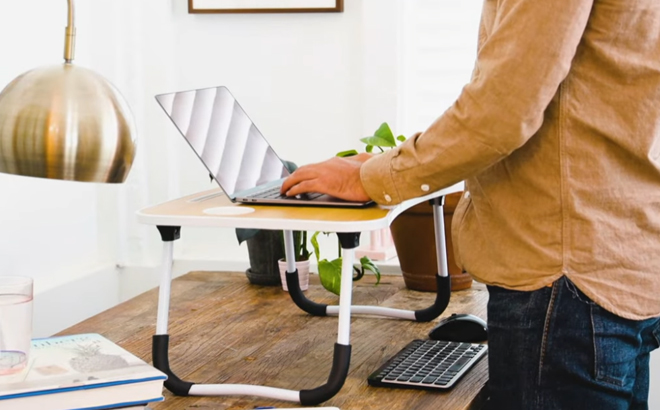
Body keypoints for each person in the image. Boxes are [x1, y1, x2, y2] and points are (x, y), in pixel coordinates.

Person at [281, 0, 660, 408]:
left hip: (563, 282)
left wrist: (369, 177)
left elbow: (503, 108)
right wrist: (385, 164)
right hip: (613, 268)